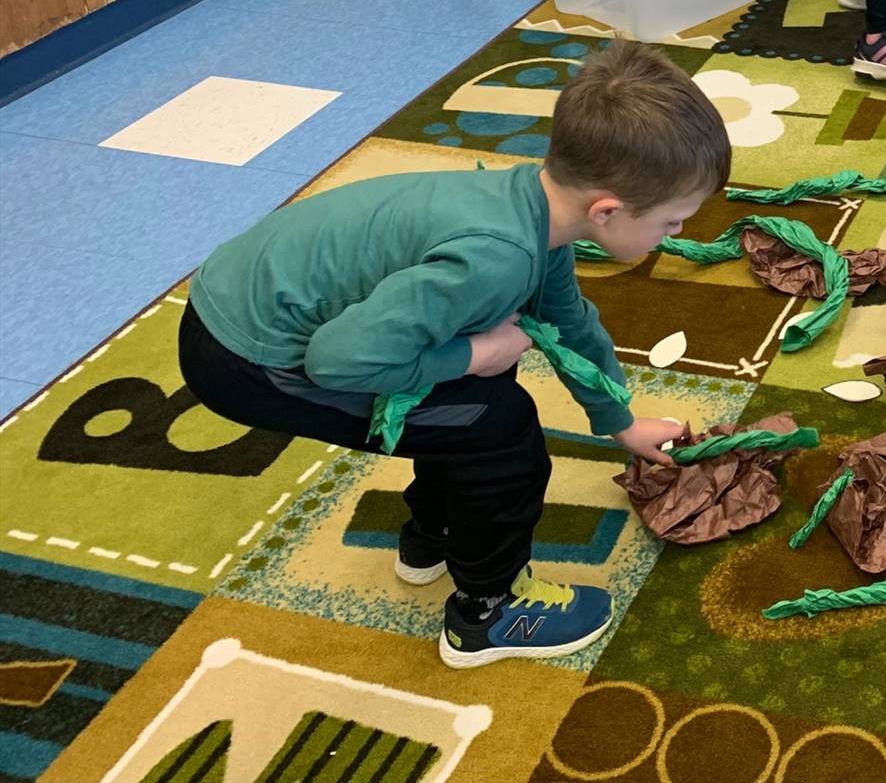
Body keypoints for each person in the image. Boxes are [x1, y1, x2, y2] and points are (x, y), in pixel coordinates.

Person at [176, 42, 729, 668]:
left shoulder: (535, 208)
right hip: (247, 358)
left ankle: (430, 539)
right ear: (607, 210)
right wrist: (469, 356)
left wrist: (619, 421)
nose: (677, 235)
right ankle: (487, 613)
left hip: (248, 297)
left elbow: (570, 320)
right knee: (499, 429)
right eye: (674, 222)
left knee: (471, 400)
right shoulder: (495, 258)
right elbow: (337, 362)